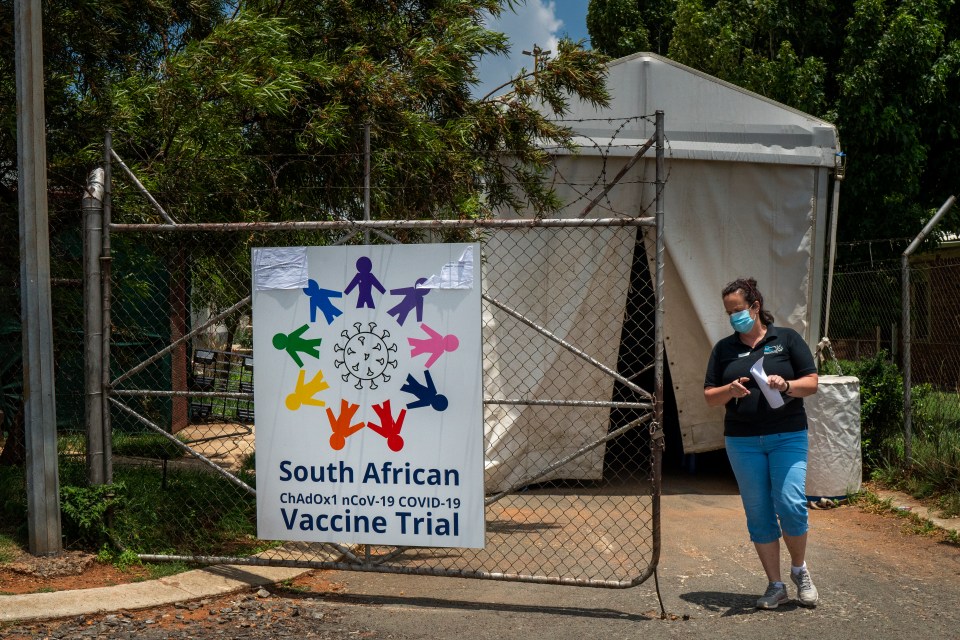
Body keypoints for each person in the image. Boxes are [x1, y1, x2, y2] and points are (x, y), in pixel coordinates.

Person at [703, 277, 820, 609]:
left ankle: (800, 570)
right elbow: (710, 396)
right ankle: (776, 585)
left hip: (788, 436)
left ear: (755, 307)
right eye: (728, 312)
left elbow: (811, 383)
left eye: (738, 310)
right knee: (758, 514)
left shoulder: (787, 339)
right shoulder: (724, 349)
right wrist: (730, 390)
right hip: (743, 442)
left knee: (791, 504)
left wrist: (786, 385)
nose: (733, 317)